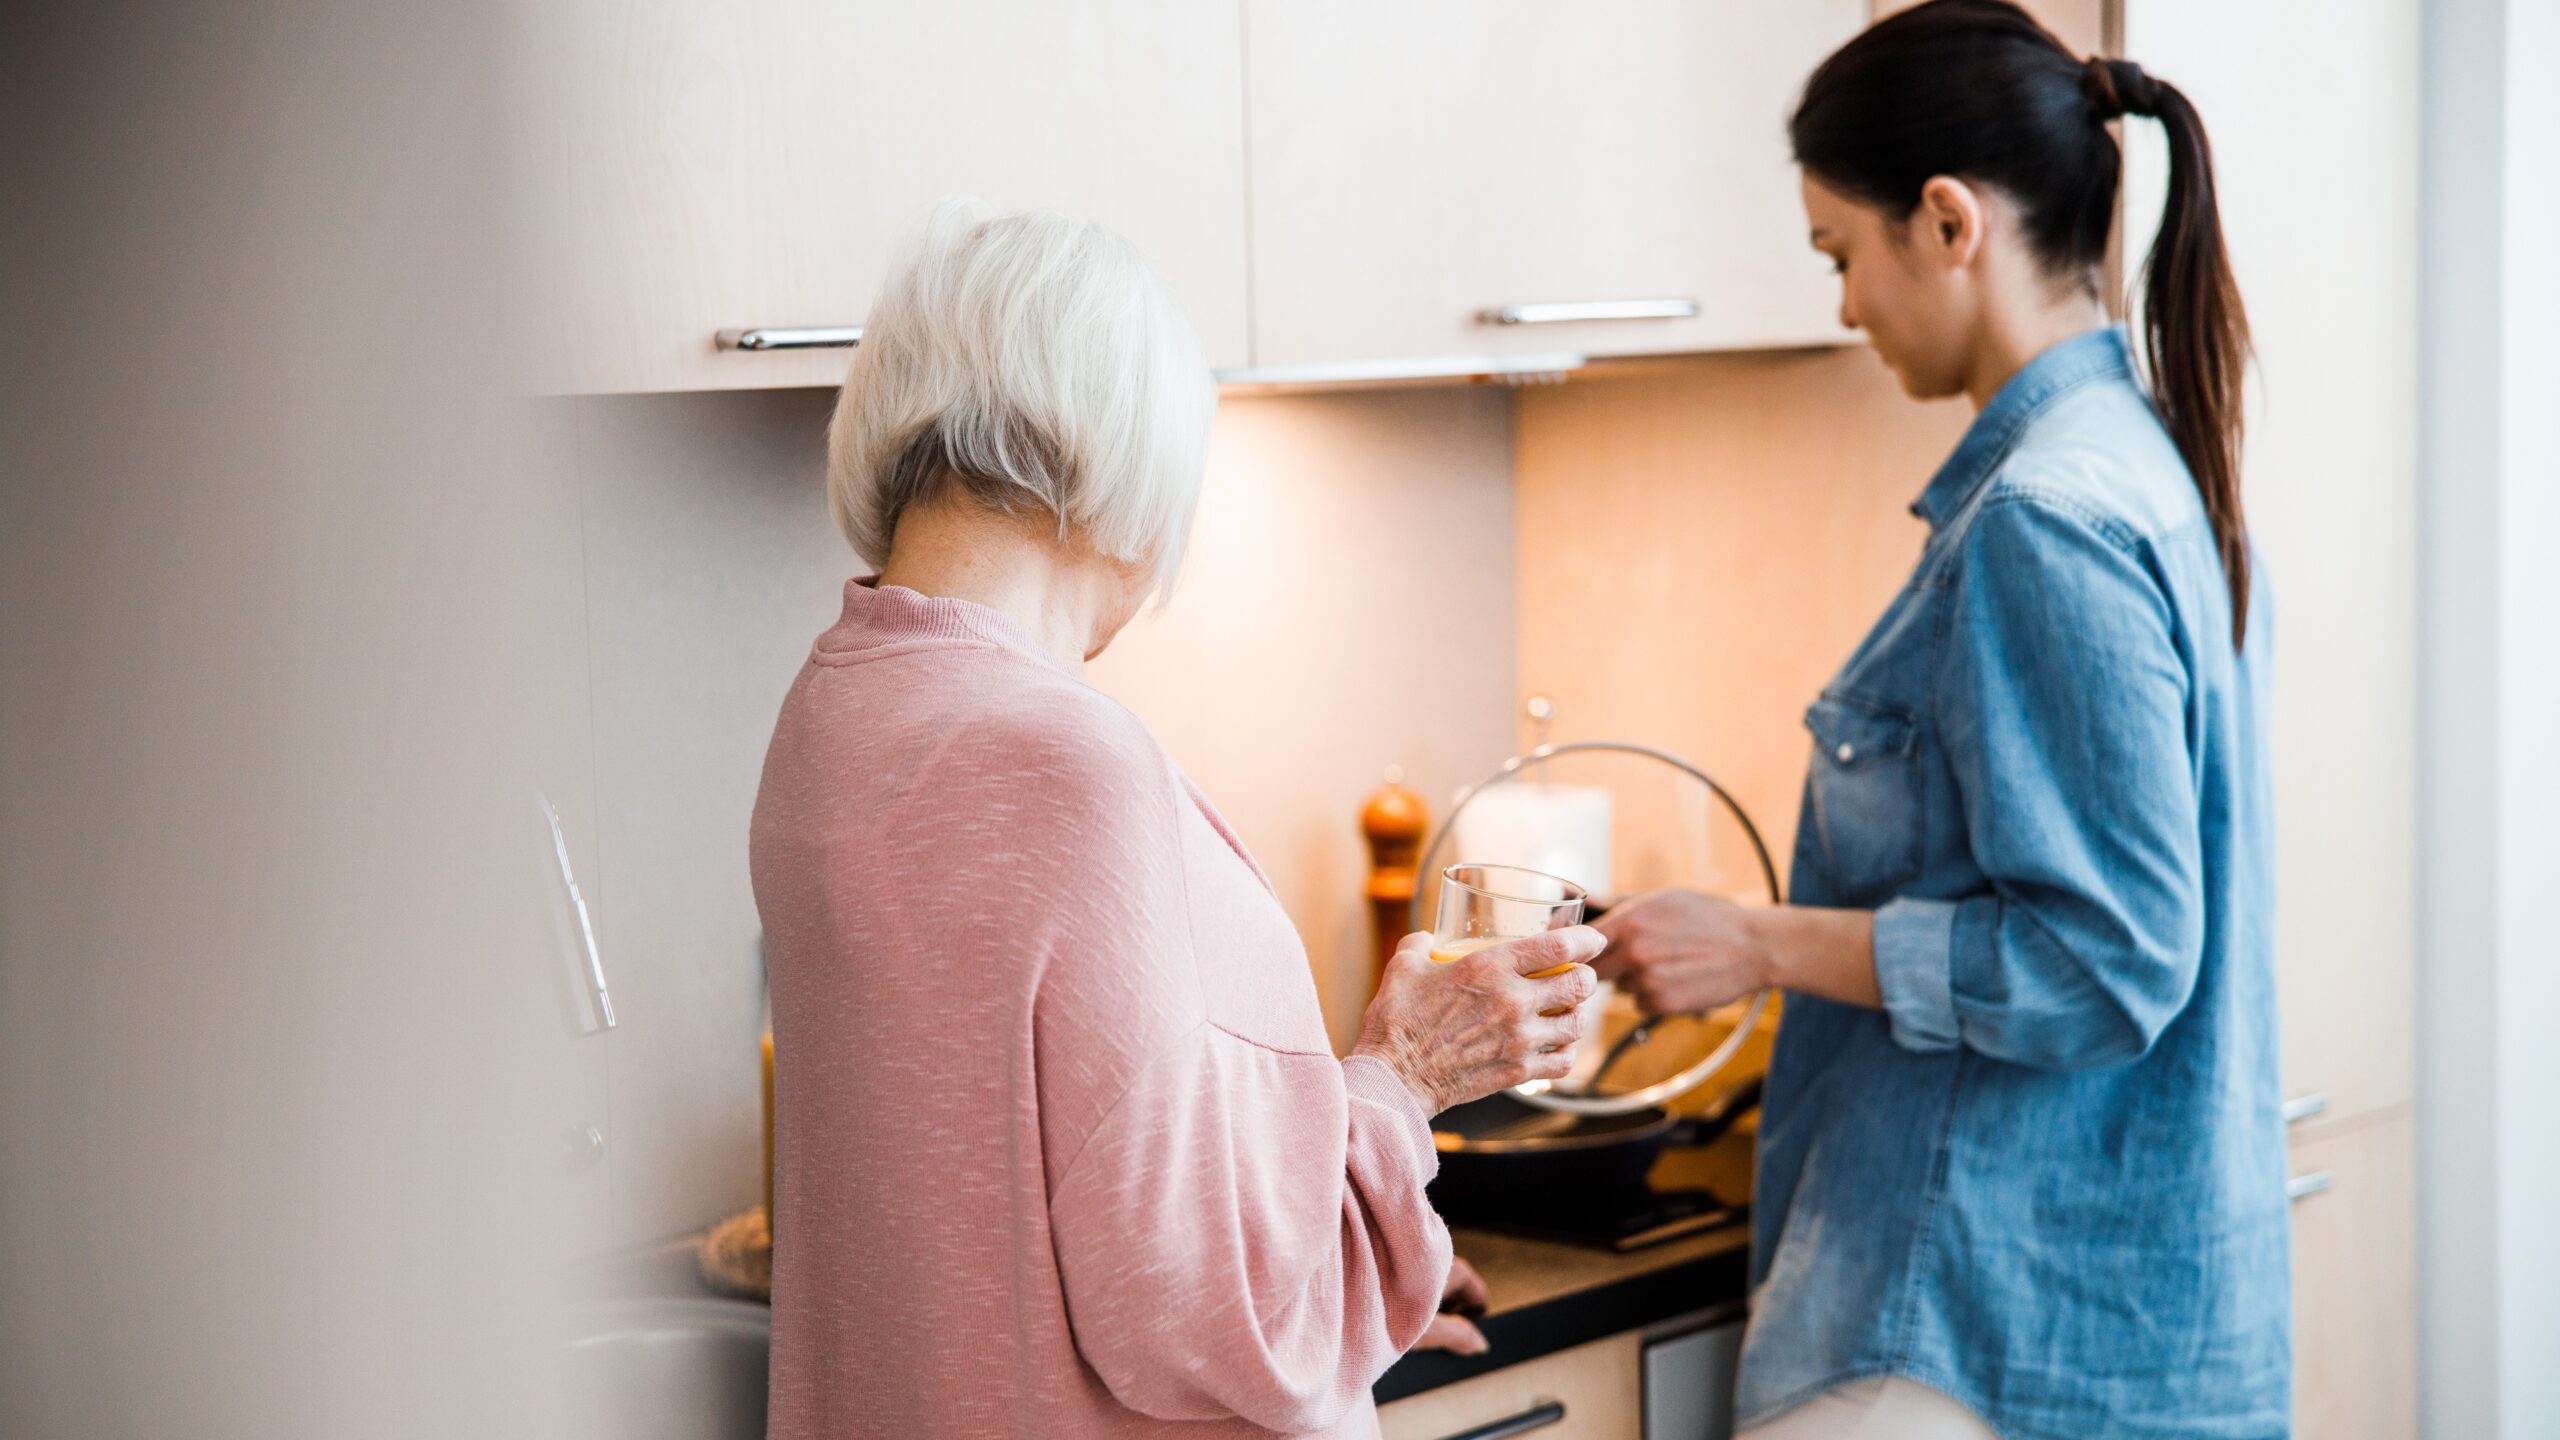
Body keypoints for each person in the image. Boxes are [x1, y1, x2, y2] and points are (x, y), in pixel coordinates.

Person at [749, 201, 1602, 1438]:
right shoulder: (1062, 761)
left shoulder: (833, 709)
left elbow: (1043, 1177)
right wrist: (1404, 1080)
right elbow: (1203, 1310)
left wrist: (1348, 1224)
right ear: (1128, 459)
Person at [1592, 3, 2282, 1436]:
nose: (1845, 308)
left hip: (1964, 1334)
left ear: (1949, 222)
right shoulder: (2153, 468)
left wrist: (1759, 942)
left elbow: (2105, 964)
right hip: (2086, 1321)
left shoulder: (2046, 521)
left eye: (1843, 254)